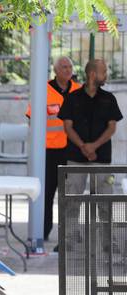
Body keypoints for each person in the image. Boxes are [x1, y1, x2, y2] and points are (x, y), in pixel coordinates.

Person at [59, 59, 122, 252]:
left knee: (105, 202)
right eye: (104, 71)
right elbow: (67, 127)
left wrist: (93, 146)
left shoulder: (109, 99)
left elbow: (112, 128)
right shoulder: (73, 98)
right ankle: (68, 240)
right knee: (71, 200)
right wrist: (83, 146)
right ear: (93, 74)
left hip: (101, 158)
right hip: (75, 158)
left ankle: (108, 242)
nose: (106, 75)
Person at [25, 56, 81, 243]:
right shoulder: (43, 91)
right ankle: (44, 230)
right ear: (56, 71)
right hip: (49, 151)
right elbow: (32, 119)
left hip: (73, 151)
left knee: (71, 194)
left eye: (70, 67)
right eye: (63, 67)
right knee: (47, 193)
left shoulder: (79, 90)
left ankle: (71, 233)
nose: (67, 70)